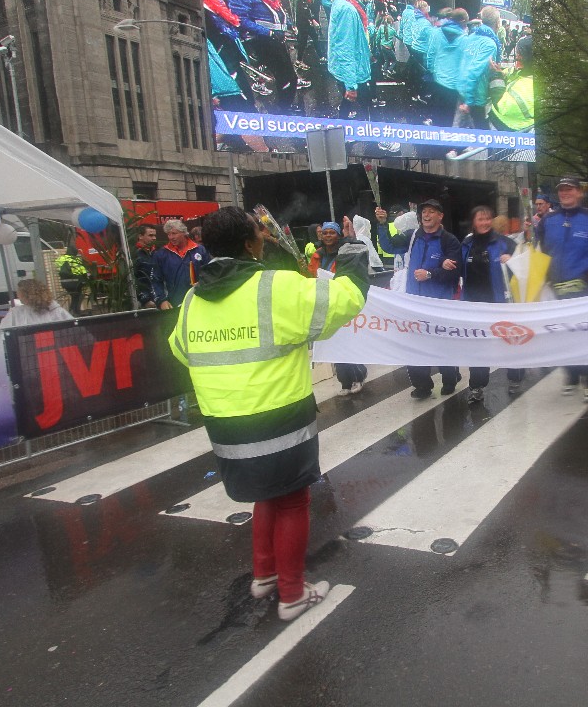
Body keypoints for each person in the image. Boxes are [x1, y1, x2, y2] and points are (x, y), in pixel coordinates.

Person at [169, 206, 368, 621]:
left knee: (266, 496)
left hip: (225, 425)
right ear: (249, 244)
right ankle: (292, 595)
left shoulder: (192, 299)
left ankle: (265, 575)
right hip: (278, 419)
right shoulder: (276, 287)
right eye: (259, 233)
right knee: (292, 500)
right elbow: (346, 301)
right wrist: (352, 251)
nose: (264, 238)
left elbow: (181, 350)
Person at [374, 199, 462, 399]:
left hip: (439, 304)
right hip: (414, 303)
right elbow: (389, 246)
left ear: (440, 216)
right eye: (424, 212)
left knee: (442, 344)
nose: (427, 215)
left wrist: (430, 274)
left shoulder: (449, 241)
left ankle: (450, 378)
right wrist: (382, 224)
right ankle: (422, 385)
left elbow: (455, 274)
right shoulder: (413, 236)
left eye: (431, 211)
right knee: (414, 345)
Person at [540, 177, 588, 401]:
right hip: (556, 288)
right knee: (562, 336)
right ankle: (571, 375)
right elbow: (538, 251)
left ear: (579, 192)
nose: (565, 193)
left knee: (586, 336)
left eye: (570, 189)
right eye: (562, 190)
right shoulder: (548, 220)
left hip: (585, 288)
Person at [460, 205, 523, 401]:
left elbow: (524, 267)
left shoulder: (505, 243)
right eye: (480, 219)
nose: (485, 222)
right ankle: (477, 386)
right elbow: (458, 269)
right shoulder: (467, 244)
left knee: (508, 342)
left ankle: (514, 378)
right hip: (474, 306)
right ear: (473, 222)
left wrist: (513, 260)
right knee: (478, 347)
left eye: (488, 218)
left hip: (500, 303)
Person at [227, 0, 299, 111]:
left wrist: (289, 24)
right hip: (261, 40)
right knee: (288, 78)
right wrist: (269, 33)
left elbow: (275, 8)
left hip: (276, 38)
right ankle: (283, 111)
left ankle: (284, 107)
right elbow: (240, 20)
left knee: (287, 77)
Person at [308, 221, 369, 396]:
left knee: (347, 341)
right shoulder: (317, 255)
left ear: (338, 235)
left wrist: (351, 239)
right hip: (325, 301)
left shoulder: (345, 251)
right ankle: (345, 382)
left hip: (342, 299)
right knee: (334, 342)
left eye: (332, 233)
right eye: (325, 233)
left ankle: (358, 375)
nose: (328, 236)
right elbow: (311, 275)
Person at [328, 0, 375, 119]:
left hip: (349, 69)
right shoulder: (348, 9)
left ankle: (343, 127)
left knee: (347, 103)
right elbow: (345, 47)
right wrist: (351, 85)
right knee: (366, 105)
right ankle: (372, 133)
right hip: (352, 71)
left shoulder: (341, 1)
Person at [457, 7, 502, 130]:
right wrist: (469, 102)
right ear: (497, 23)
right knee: (483, 132)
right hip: (476, 97)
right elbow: (473, 72)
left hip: (463, 91)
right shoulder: (490, 44)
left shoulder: (471, 37)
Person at [425, 9, 470, 128]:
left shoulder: (437, 32)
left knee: (437, 113)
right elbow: (465, 64)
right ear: (462, 21)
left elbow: (430, 54)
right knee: (448, 118)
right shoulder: (465, 39)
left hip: (438, 79)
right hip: (453, 86)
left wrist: (430, 71)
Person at [152, 219, 208, 310]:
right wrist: (161, 300)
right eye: (168, 234)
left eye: (174, 233)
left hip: (200, 301)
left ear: (183, 232)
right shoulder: (161, 254)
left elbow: (210, 272)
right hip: (174, 304)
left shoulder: (200, 250)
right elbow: (155, 280)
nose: (171, 237)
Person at [490, 36, 533, 136]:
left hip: (510, 128)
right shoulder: (526, 70)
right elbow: (511, 71)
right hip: (502, 122)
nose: (517, 57)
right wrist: (500, 72)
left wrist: (496, 76)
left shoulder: (529, 87)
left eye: (519, 55)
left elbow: (502, 105)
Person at [0, 279, 75, 328]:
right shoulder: (58, 311)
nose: (17, 296)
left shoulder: (15, 313)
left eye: (19, 293)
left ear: (27, 295)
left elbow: (1, 334)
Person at [55, 247, 90, 316]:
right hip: (75, 282)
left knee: (74, 296)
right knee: (77, 296)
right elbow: (83, 271)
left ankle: (74, 311)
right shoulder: (75, 259)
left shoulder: (60, 259)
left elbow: (58, 268)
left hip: (64, 283)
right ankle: (74, 311)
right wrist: (87, 277)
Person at [135, 223, 159, 308]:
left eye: (155, 235)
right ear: (140, 236)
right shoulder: (134, 254)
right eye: (150, 235)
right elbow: (133, 280)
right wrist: (145, 300)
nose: (154, 238)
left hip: (158, 296)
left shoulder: (156, 253)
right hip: (144, 301)